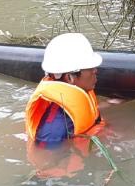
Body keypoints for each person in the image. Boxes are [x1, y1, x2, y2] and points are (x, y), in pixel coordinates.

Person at [25, 33, 104, 177]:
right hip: (68, 176)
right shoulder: (55, 129)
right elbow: (46, 160)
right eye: (90, 68)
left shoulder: (78, 97)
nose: (95, 71)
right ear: (70, 77)